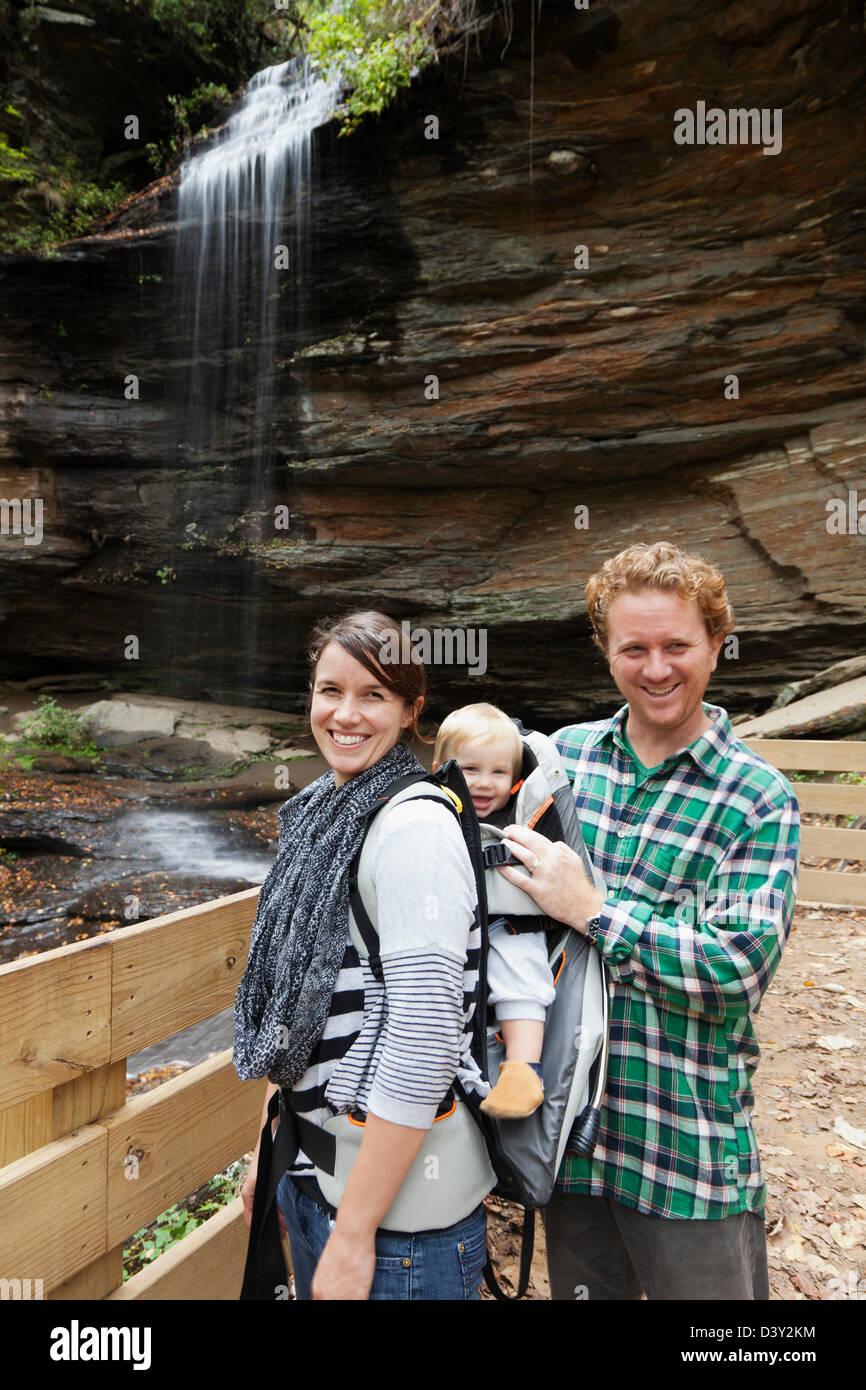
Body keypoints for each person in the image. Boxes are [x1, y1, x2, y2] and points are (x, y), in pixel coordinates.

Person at [496, 541, 800, 1300]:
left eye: (678, 646)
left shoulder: (758, 798)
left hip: (685, 1147)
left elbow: (736, 970)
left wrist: (595, 912)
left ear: (717, 646)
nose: (657, 668)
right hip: (572, 1141)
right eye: (635, 647)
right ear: (606, 651)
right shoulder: (563, 761)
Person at [233, 610, 490, 1301]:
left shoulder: (414, 829)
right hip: (318, 1176)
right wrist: (270, 1148)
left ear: (411, 710)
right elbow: (294, 1003)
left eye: (374, 695)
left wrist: (354, 1233)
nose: (346, 715)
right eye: (330, 691)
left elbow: (425, 1036)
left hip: (397, 1233)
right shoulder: (327, 813)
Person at [433, 702, 554, 1119]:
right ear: (443, 768)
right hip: (445, 927)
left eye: (499, 772)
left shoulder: (521, 816)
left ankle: (523, 1071)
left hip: (510, 923)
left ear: (515, 778)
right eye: (470, 770)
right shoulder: (430, 811)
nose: (485, 784)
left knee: (522, 971)